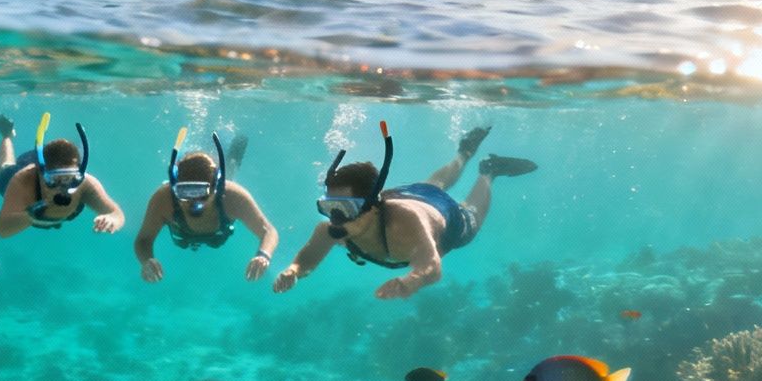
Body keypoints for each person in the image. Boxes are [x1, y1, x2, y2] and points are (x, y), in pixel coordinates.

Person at [273, 122, 535, 300]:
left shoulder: (407, 225)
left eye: (345, 209)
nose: (334, 218)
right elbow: (307, 259)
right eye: (328, 207)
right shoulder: (332, 230)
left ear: (371, 207)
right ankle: (463, 152)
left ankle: (489, 171)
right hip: (411, 194)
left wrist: (411, 282)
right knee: (433, 184)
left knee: (472, 217)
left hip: (438, 214)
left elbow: (432, 267)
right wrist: (293, 271)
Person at [132, 130, 279, 282]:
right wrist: (146, 260)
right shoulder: (164, 198)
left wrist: (263, 255)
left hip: (209, 223)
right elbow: (143, 239)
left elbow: (268, 231)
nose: (194, 202)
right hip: (192, 234)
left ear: (216, 188)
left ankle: (240, 138)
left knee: (230, 169)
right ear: (175, 186)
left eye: (201, 193)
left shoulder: (232, 196)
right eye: (186, 192)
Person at [0, 112, 125, 237]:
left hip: (47, 161)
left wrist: (111, 220)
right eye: (54, 179)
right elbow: (2, 230)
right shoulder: (23, 181)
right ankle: (7, 134)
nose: (63, 186)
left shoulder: (85, 183)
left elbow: (117, 214)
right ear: (41, 174)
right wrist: (31, 214)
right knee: (2, 169)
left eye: (69, 178)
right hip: (28, 167)